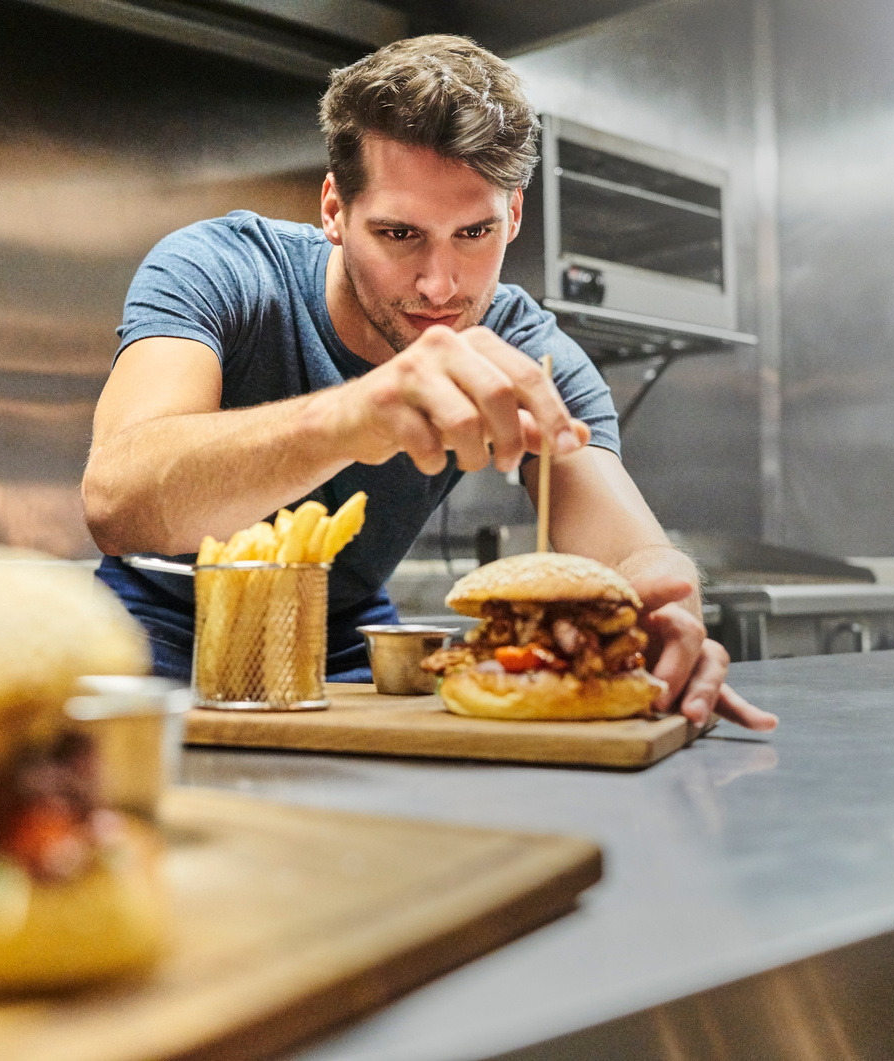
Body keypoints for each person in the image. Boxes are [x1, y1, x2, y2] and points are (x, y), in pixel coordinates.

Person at [83, 35, 776, 731]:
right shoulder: (220, 269)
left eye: (473, 233)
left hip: (353, 650)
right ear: (333, 209)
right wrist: (353, 415)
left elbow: (627, 553)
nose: (439, 286)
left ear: (513, 215)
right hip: (154, 635)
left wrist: (662, 601)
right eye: (398, 235)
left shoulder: (530, 354)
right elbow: (116, 497)